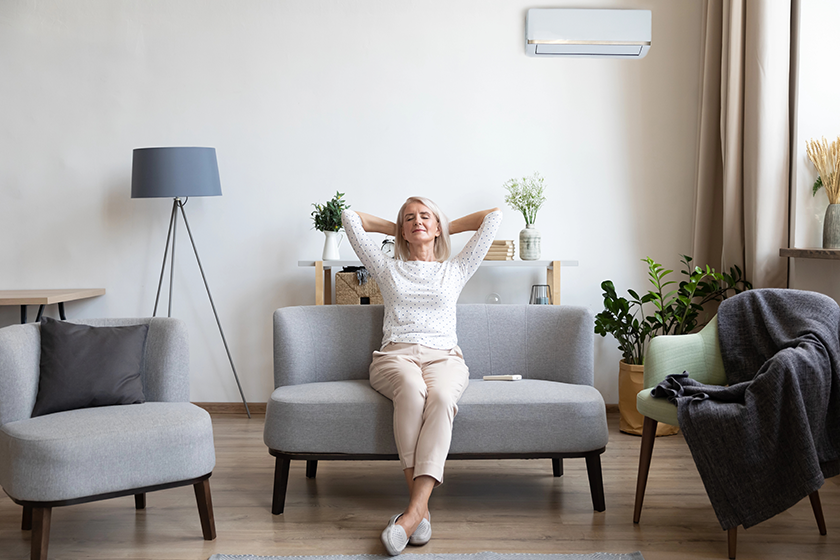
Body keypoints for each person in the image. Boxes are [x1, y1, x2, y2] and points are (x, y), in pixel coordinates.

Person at [341, 197, 502, 556]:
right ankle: (420, 510)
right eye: (409, 218)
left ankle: (413, 513)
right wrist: (395, 227)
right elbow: (349, 218)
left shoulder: (456, 268)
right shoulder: (387, 268)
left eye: (424, 217)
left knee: (443, 398)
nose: (417, 222)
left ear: (437, 226)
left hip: (445, 358)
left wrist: (444, 224)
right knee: (412, 392)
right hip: (396, 356)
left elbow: (493, 217)